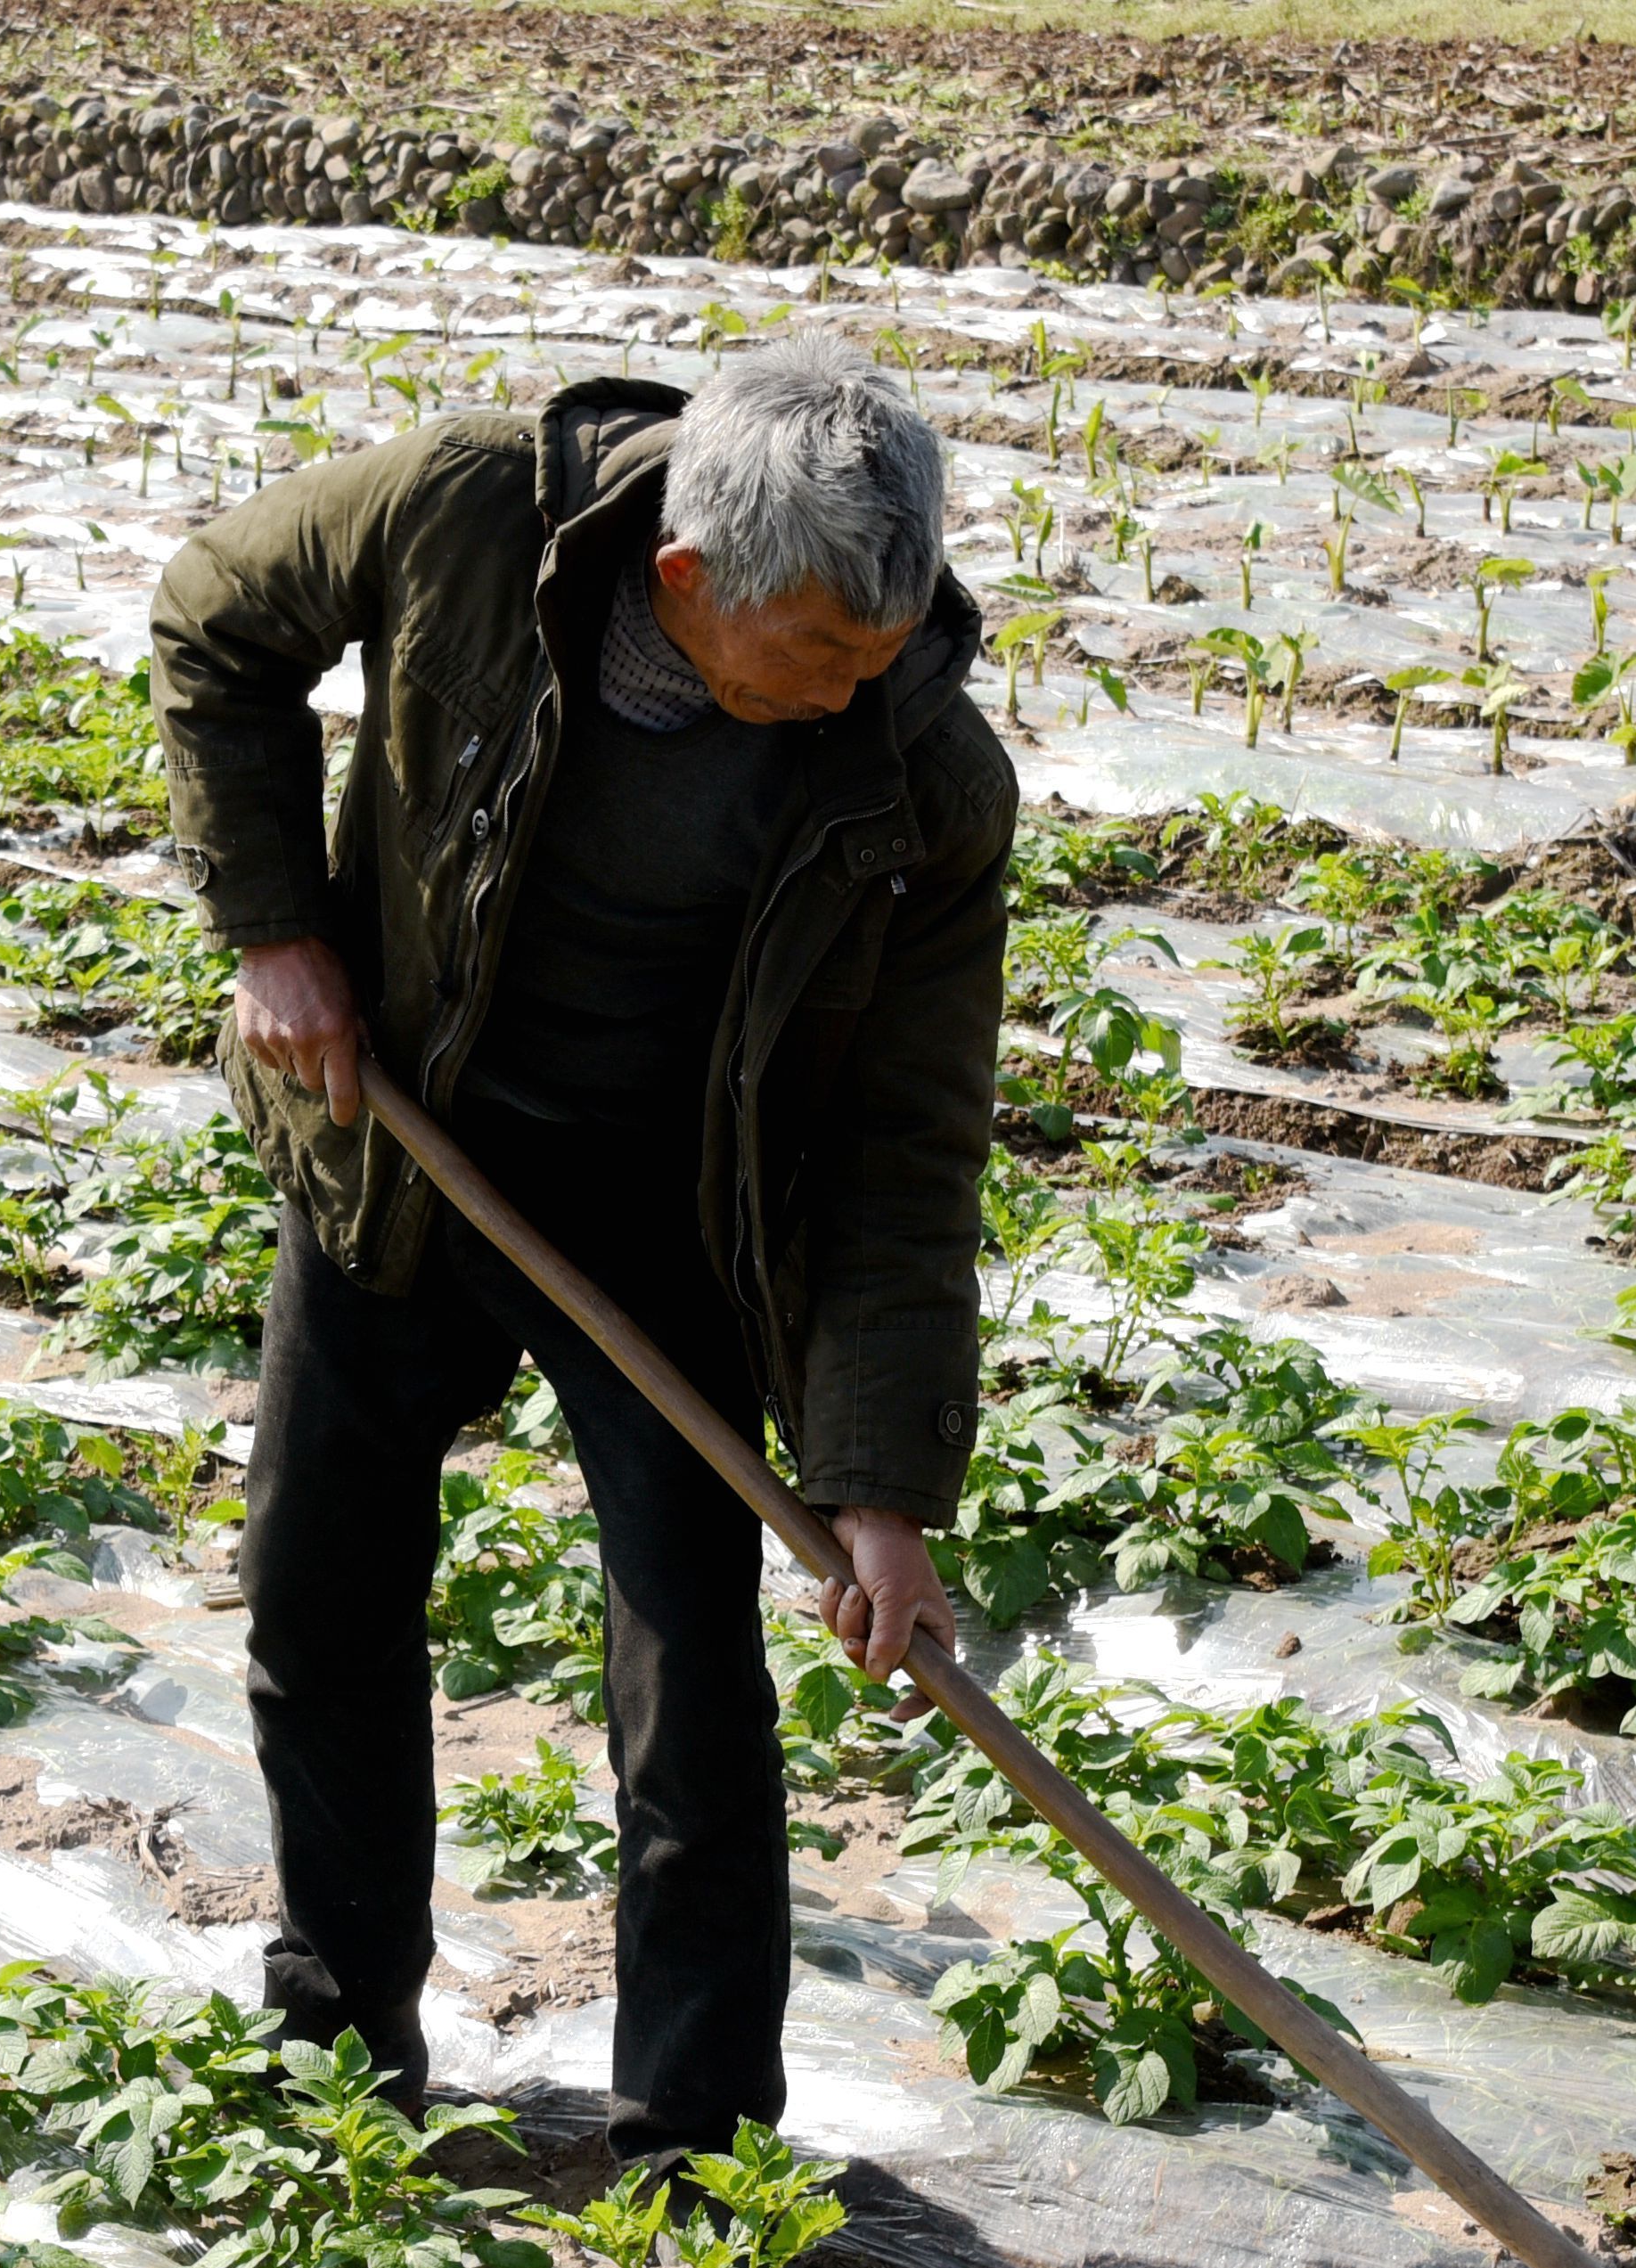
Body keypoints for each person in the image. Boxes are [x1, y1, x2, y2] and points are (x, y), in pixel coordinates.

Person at [151, 335, 1015, 2166]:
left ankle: (696, 2141)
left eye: (889, 647)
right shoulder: (467, 512)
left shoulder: (922, 774)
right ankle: (342, 2058)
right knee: (322, 1594)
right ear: (691, 585)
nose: (861, 689)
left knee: (693, 1678)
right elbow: (215, 624)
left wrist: (875, 1485)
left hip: (673, 1231)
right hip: (409, 1153)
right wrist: (274, 928)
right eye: (821, 658)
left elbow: (904, 1145)